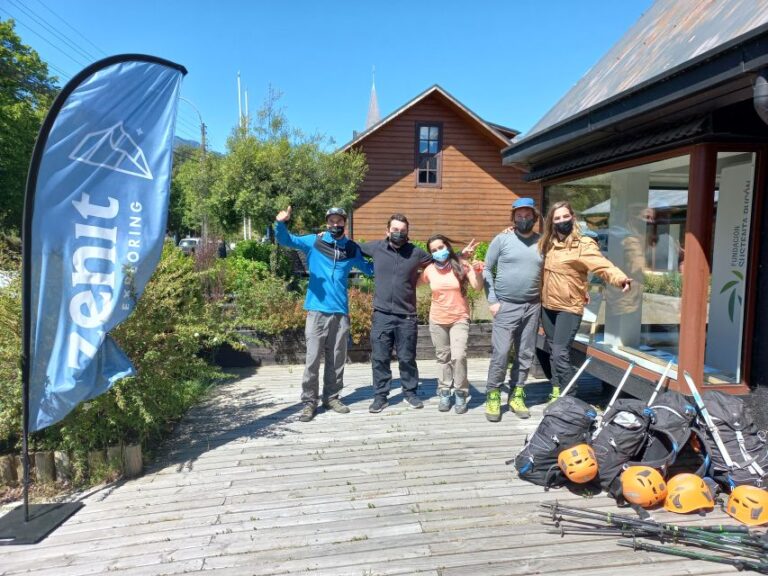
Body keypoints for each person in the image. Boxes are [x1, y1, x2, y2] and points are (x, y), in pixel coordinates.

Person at [274, 206, 373, 422]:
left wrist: (396, 262)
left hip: (340, 312)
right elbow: (287, 240)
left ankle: (332, 397)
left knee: (337, 359)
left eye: (340, 221)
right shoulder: (314, 241)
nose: (336, 225)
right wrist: (281, 224)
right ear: (327, 222)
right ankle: (310, 402)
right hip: (317, 311)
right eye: (332, 221)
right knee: (312, 359)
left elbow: (370, 270)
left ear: (344, 223)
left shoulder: (352, 249)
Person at [539, 201, 631, 400]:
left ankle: (569, 396)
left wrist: (619, 278)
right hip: (547, 306)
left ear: (572, 217)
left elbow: (602, 266)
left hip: (569, 307)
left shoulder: (584, 244)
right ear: (551, 222)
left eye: (565, 216)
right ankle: (557, 389)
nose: (562, 221)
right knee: (552, 350)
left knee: (560, 352)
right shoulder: (548, 243)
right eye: (557, 218)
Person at [482, 197, 543, 422]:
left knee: (525, 353)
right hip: (506, 305)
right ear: (513, 218)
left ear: (534, 218)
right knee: (500, 352)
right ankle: (493, 394)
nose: (523, 219)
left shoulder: (542, 242)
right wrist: (493, 300)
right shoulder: (502, 239)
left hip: (532, 305)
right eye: (519, 215)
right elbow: (487, 269)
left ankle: (517, 394)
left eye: (527, 216)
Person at [418, 234, 482, 414]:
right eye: (434, 250)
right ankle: (445, 391)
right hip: (437, 320)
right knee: (443, 358)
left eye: (441, 247)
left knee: (459, 356)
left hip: (459, 318)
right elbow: (413, 283)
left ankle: (461, 393)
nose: (438, 252)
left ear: (447, 246)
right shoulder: (429, 270)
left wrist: (478, 271)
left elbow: (477, 287)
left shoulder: (462, 265)